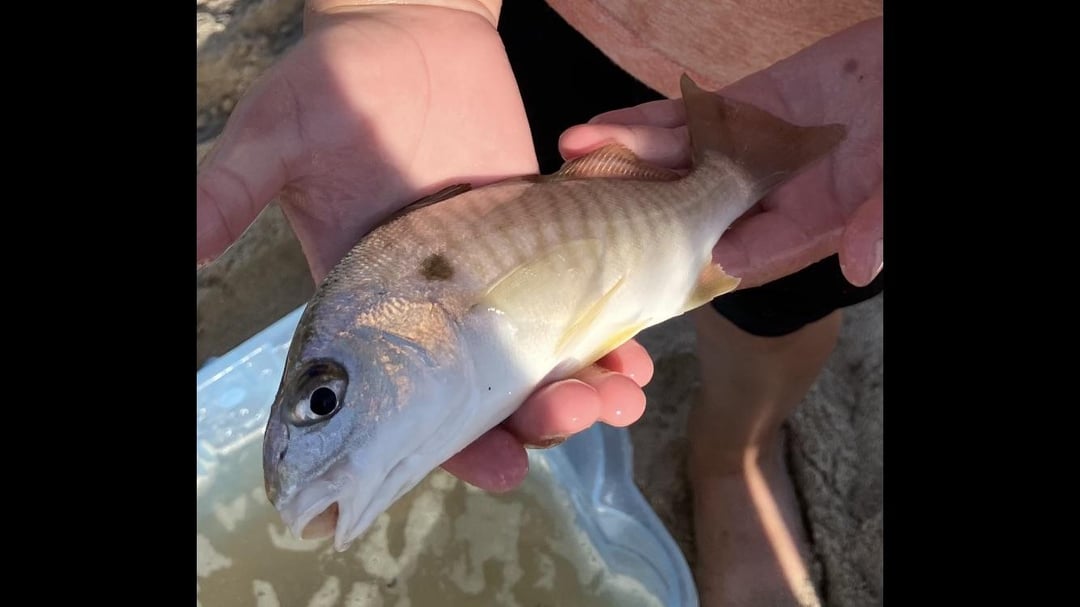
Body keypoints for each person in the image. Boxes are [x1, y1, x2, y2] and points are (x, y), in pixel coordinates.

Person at [196, 1, 882, 605]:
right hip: (540, 32)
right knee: (725, 258)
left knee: (777, 307)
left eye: (324, 399)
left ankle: (737, 453)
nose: (321, 423)